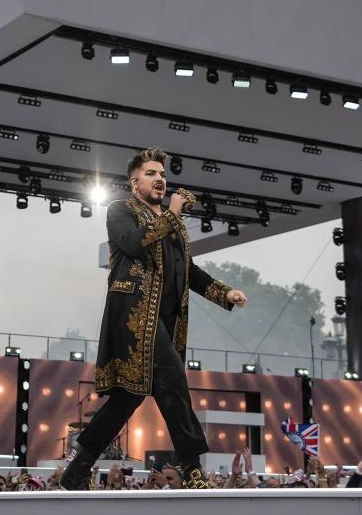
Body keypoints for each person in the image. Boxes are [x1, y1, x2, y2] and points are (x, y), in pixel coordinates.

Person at [60, 147, 247, 491]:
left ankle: (79, 465)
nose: (160, 179)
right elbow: (134, 244)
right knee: (174, 380)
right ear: (134, 183)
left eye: (163, 174)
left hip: (163, 323)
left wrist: (224, 292)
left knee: (129, 397)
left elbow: (186, 270)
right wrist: (173, 213)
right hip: (133, 317)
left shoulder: (173, 228)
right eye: (151, 173)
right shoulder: (121, 210)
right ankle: (192, 468)